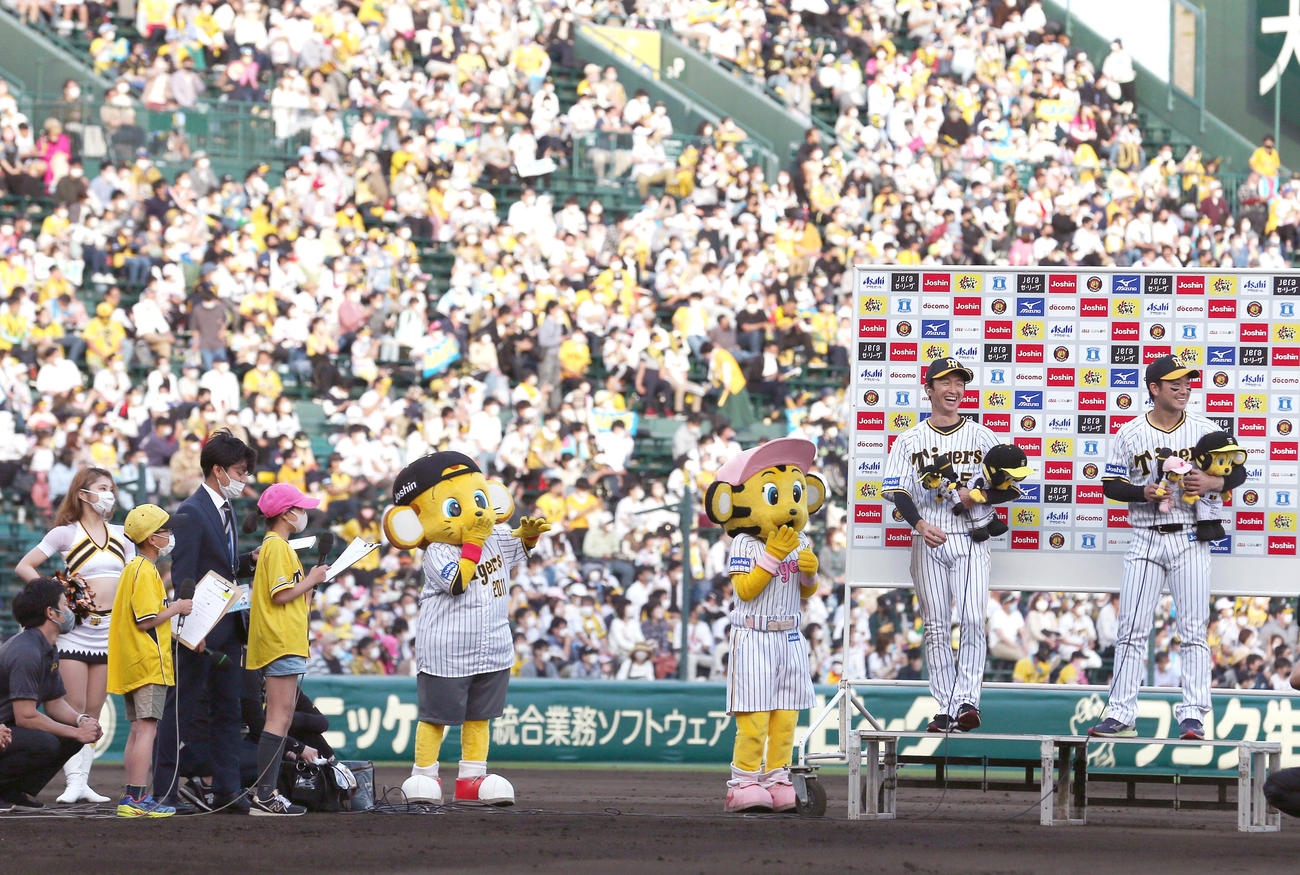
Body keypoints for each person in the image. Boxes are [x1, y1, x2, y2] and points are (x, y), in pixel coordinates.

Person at [1088, 356, 1247, 740]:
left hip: (1190, 537)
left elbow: (1239, 470)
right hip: (1145, 535)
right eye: (1174, 383)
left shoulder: (1205, 429)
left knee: (1192, 630)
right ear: (1154, 388)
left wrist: (1212, 484)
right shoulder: (1130, 432)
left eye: (1188, 383)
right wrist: (1141, 492)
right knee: (1131, 629)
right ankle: (1121, 712)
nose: (1184, 388)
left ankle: (1193, 715)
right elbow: (1110, 485)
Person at [882, 358, 1019, 733]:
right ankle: (945, 706)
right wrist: (919, 523)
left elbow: (1012, 487)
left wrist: (976, 496)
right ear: (929, 389)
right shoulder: (910, 439)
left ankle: (967, 702)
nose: (954, 388)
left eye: (959, 381)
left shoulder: (981, 435)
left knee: (974, 619)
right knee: (936, 627)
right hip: (928, 539)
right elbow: (895, 490)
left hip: (971, 540)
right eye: (946, 382)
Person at [153, 429, 259, 812]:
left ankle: (227, 789)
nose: (244, 479)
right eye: (240, 471)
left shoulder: (225, 510)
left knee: (229, 709)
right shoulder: (190, 513)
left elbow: (223, 568)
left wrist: (250, 560)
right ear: (218, 470)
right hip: (198, 628)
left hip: (228, 625)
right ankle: (164, 790)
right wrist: (186, 628)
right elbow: (184, 575)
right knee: (180, 710)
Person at [15, 466, 132, 804]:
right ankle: (71, 782)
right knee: (74, 707)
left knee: (94, 710)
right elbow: (24, 566)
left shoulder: (123, 534)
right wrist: (58, 596)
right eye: (102, 487)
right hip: (76, 633)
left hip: (109, 632)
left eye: (111, 487)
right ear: (83, 494)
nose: (108, 493)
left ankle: (83, 781)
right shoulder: (65, 534)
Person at [245, 483, 329, 816]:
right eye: (300, 508)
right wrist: (311, 579)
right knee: (278, 719)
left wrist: (309, 586)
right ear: (286, 513)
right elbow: (281, 595)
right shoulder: (277, 546)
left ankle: (267, 794)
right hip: (280, 640)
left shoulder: (276, 546)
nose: (303, 514)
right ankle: (265, 796)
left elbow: (286, 597)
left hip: (283, 638)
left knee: (281, 718)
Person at [108, 504, 191, 817]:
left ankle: (133, 796)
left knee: (138, 730)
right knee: (147, 730)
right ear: (152, 539)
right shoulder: (144, 570)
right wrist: (178, 607)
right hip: (147, 661)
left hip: (135, 660)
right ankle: (136, 799)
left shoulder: (136, 568)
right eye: (165, 530)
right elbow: (146, 620)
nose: (170, 535)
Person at [0, 579, 104, 809]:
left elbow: (55, 704)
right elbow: (25, 716)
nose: (69, 610)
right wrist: (75, 733)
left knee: (70, 736)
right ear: (50, 612)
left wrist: (81, 721)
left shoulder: (47, 647)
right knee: (45, 742)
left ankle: (12, 791)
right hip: (3, 730)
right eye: (64, 605)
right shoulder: (26, 651)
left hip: (8, 730)